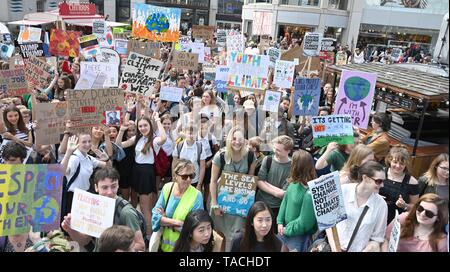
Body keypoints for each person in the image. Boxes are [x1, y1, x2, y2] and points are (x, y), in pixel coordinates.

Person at [61, 167, 146, 252]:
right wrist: (70, 229)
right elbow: (84, 240)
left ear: (118, 185)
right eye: (104, 187)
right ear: (96, 187)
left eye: (113, 186)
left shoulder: (126, 212)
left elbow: (140, 245)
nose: (109, 192)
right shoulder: (95, 207)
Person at [115, 112, 167, 238]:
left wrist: (158, 120)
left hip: (146, 173)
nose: (143, 128)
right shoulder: (137, 139)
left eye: (145, 125)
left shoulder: (154, 140)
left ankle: (150, 235)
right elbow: (119, 145)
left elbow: (163, 138)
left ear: (150, 126)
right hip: (136, 171)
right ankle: (142, 229)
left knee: (145, 207)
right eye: (140, 126)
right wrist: (121, 130)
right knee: (136, 202)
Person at [209, 127, 256, 251]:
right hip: (222, 200)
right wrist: (214, 203)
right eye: (234, 139)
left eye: (240, 139)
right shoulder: (221, 155)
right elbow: (213, 181)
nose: (237, 142)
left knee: (237, 235)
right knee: (220, 235)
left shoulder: (250, 156)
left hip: (240, 203)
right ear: (229, 139)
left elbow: (250, 182)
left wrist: (248, 206)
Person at [332, 161, 388, 252]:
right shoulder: (343, 191)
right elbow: (328, 222)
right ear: (365, 178)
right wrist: (334, 247)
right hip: (333, 248)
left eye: (383, 181)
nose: (382, 185)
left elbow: (378, 237)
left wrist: (371, 248)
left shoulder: (381, 205)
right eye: (378, 181)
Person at [152, 159, 204, 252]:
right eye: (184, 176)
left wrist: (165, 219)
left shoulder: (197, 195)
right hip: (163, 246)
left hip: (184, 248)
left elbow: (194, 227)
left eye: (191, 176)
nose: (188, 179)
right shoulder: (167, 188)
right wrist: (179, 223)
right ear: (175, 176)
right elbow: (155, 217)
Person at [277, 150, 317, 252]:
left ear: (297, 166)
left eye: (293, 161)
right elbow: (285, 202)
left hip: (297, 237)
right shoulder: (293, 183)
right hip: (284, 231)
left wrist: (287, 229)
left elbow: (305, 222)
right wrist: (280, 222)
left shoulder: (309, 192)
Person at [0, 142, 36, 252]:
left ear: (22, 160)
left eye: (12, 160)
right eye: (5, 160)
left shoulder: (33, 177)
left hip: (28, 230)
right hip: (6, 233)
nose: (8, 164)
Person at [382, 193, 448, 252]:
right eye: (420, 208)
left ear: (438, 218)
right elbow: (385, 239)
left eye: (429, 213)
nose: (422, 214)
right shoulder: (403, 219)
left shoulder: (441, 241)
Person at [256, 135, 294, 232]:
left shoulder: (293, 165)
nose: (275, 152)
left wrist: (267, 184)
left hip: (279, 208)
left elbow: (283, 193)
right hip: (262, 202)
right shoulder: (268, 160)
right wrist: (275, 192)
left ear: (288, 151)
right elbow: (259, 181)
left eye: (278, 150)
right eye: (274, 148)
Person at [380, 145, 419, 224]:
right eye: (395, 162)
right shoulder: (380, 173)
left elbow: (415, 207)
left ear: (406, 164)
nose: (398, 166)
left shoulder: (412, 182)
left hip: (396, 220)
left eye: (401, 163)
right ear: (389, 160)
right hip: (377, 214)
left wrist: (405, 205)